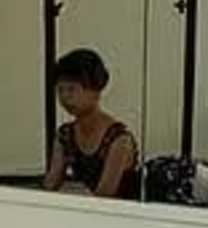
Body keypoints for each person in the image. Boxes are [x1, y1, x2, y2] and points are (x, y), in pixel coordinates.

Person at [42, 50, 139, 201]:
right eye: (60, 90)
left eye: (72, 89)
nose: (65, 97)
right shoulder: (65, 135)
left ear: (95, 91)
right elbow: (51, 183)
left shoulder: (118, 139)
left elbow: (105, 194)